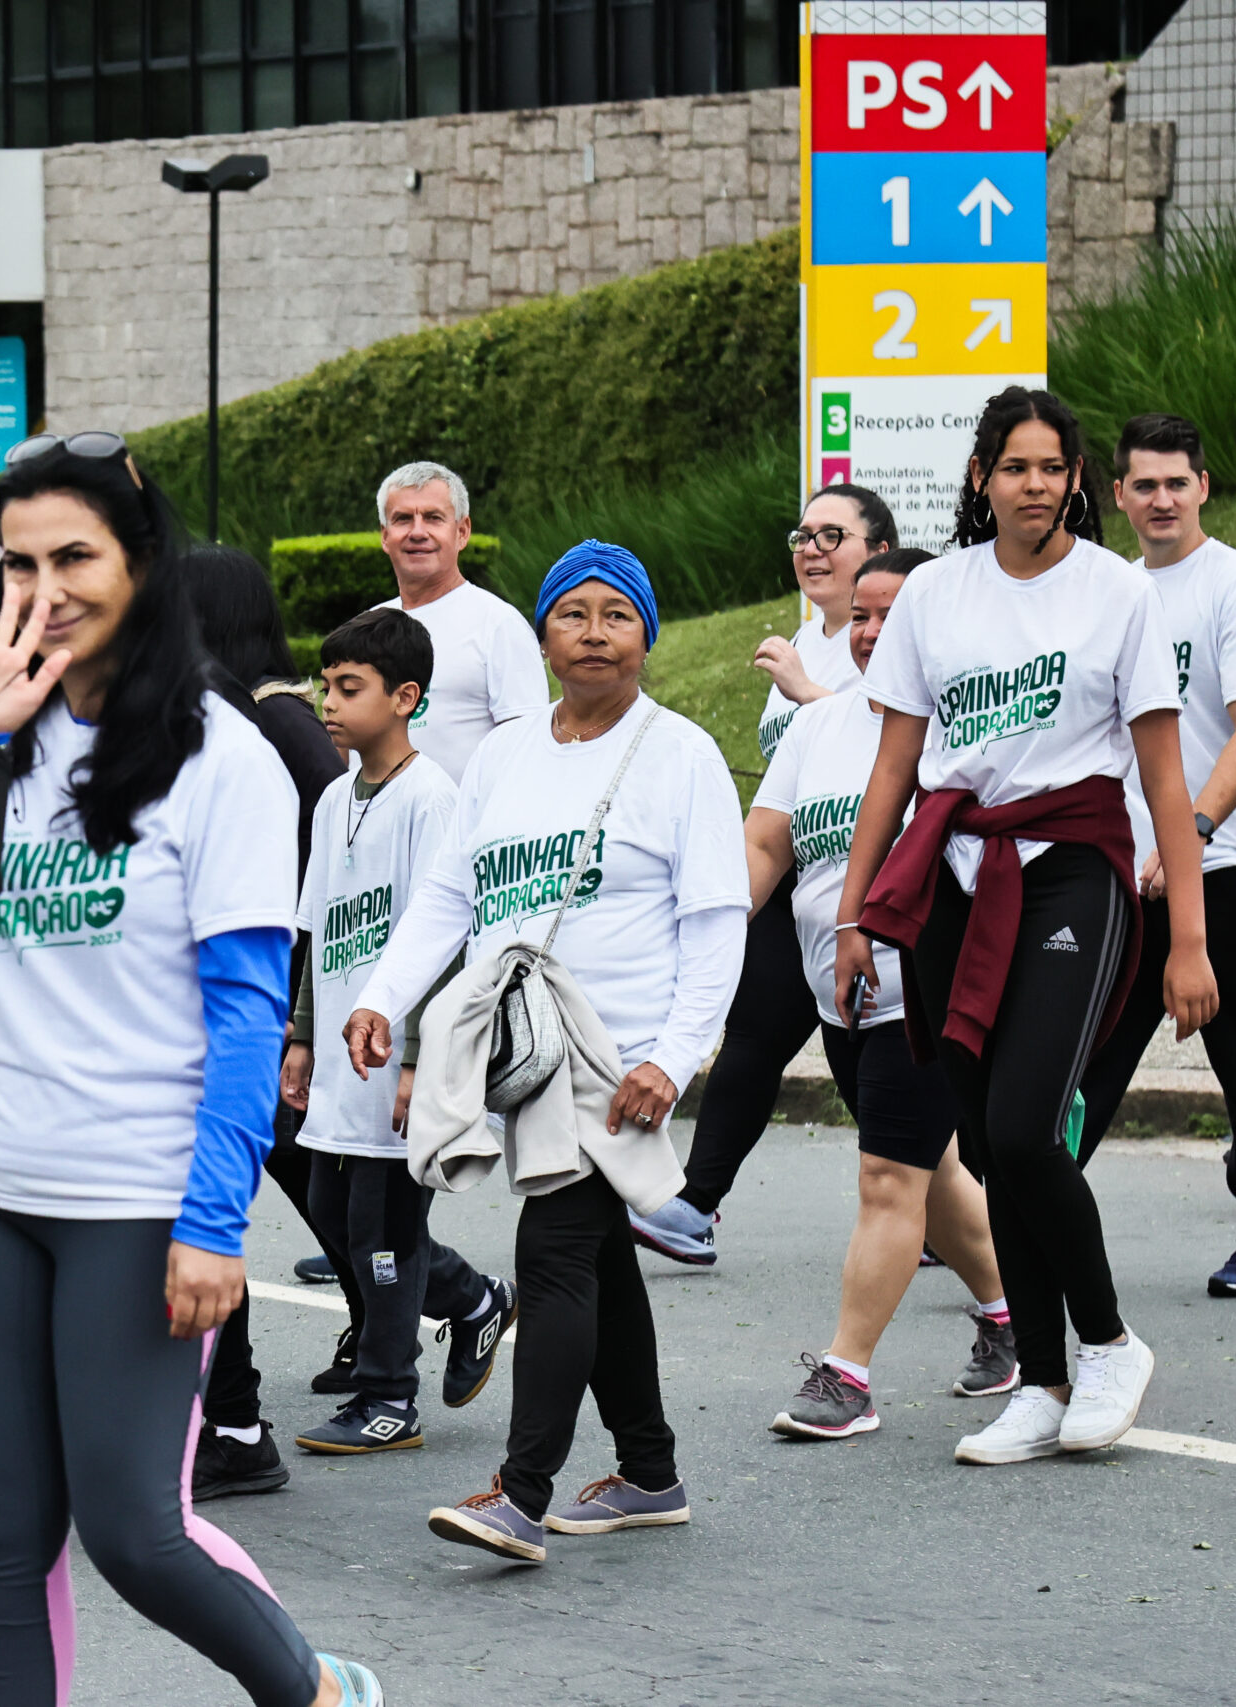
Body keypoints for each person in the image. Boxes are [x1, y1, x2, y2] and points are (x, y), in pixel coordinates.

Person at [0, 433, 383, 1707]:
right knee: (3, 1534)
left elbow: (247, 1011)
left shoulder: (221, 758)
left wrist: (214, 1224)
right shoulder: (7, 727)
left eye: (75, 558)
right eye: (19, 563)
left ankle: (316, 1692)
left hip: (133, 1200)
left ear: (142, 564)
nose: (44, 589)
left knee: (134, 1533)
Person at [833, 385, 1217, 1468]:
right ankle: (1042, 1382)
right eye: (1015, 467)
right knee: (988, 1140)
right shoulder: (934, 593)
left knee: (1024, 1127)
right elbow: (894, 767)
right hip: (952, 876)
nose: (1035, 485)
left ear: (1076, 480)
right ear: (981, 478)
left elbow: (1164, 778)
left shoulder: (1116, 591)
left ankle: (1109, 1343)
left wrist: (1189, 940)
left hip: (1070, 871)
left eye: (1053, 467)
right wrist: (857, 913)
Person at [348, 540, 748, 1562]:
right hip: (522, 1053)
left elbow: (715, 920)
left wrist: (674, 1057)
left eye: (618, 614)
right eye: (574, 613)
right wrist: (384, 996)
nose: (594, 632)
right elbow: (450, 894)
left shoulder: (680, 754)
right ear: (543, 637)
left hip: (618, 1060)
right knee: (601, 1260)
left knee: (556, 1253)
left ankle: (521, 1495)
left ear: (648, 636)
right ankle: (649, 1474)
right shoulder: (504, 754)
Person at [746, 549, 1017, 1440]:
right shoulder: (818, 727)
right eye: (859, 615)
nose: (867, 632)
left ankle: (847, 1374)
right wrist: (704, 931)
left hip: (923, 994)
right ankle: (1011, 1315)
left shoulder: (963, 733)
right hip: (842, 998)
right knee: (932, 1171)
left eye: (889, 614)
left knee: (888, 1175)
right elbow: (766, 845)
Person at [1069, 415, 1236, 1296]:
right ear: (1119, 494)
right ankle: (1015, 1202)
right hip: (1120, 868)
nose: (1162, 499)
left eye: (1178, 482)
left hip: (1220, 856)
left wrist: (1193, 831)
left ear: (1203, 486)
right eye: (1145, 484)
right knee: (1086, 1045)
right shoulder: (1111, 592)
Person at [634, 484, 901, 1267]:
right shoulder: (808, 635)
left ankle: (943, 1200)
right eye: (802, 535)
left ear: (879, 551)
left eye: (832, 536)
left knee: (879, 1069)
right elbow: (779, 808)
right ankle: (694, 1205)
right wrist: (720, 909)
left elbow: (879, 732)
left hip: (878, 881)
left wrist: (805, 691)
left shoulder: (886, 644)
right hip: (799, 875)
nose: (811, 549)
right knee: (755, 1032)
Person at [284, 607, 513, 1456]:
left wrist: (422, 1058)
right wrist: (301, 1035)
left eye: (349, 688)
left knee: (382, 1224)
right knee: (331, 1208)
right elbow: (318, 928)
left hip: (399, 1056)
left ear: (405, 697)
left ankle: (389, 1395)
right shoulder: (333, 799)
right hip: (341, 1054)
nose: (329, 703)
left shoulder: (432, 798)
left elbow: (446, 936)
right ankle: (475, 1299)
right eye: (326, 686)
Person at [183, 542, 350, 1495]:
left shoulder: (271, 721)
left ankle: (447, 1296)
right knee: (300, 1167)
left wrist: (306, 1000)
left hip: (271, 981)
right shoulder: (227, 716)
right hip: (263, 981)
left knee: (277, 1175)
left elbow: (337, 841)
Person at [371, 460, 545, 783]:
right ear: (385, 536)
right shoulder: (367, 629)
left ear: (462, 532)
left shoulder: (498, 625)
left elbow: (527, 752)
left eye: (433, 518)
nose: (417, 532)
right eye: (403, 519)